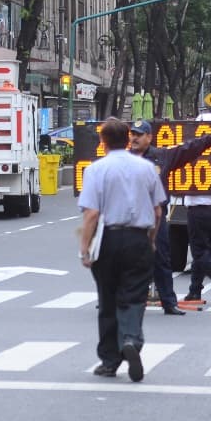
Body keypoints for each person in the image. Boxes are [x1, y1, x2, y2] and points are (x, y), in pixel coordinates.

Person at [78, 118, 165, 383]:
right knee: (134, 295)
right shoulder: (147, 168)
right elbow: (158, 210)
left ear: (102, 141)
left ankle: (109, 361)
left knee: (107, 299)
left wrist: (85, 248)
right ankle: (130, 338)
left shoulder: (96, 170)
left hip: (108, 240)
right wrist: (151, 238)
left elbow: (92, 213)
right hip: (138, 238)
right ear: (128, 139)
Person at [128, 119, 211, 315]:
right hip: (129, 219)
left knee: (161, 260)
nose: (134, 137)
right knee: (125, 260)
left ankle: (169, 302)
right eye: (132, 133)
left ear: (149, 137)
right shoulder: (123, 159)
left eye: (138, 134)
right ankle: (117, 299)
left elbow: (189, 148)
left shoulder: (162, 156)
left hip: (155, 218)